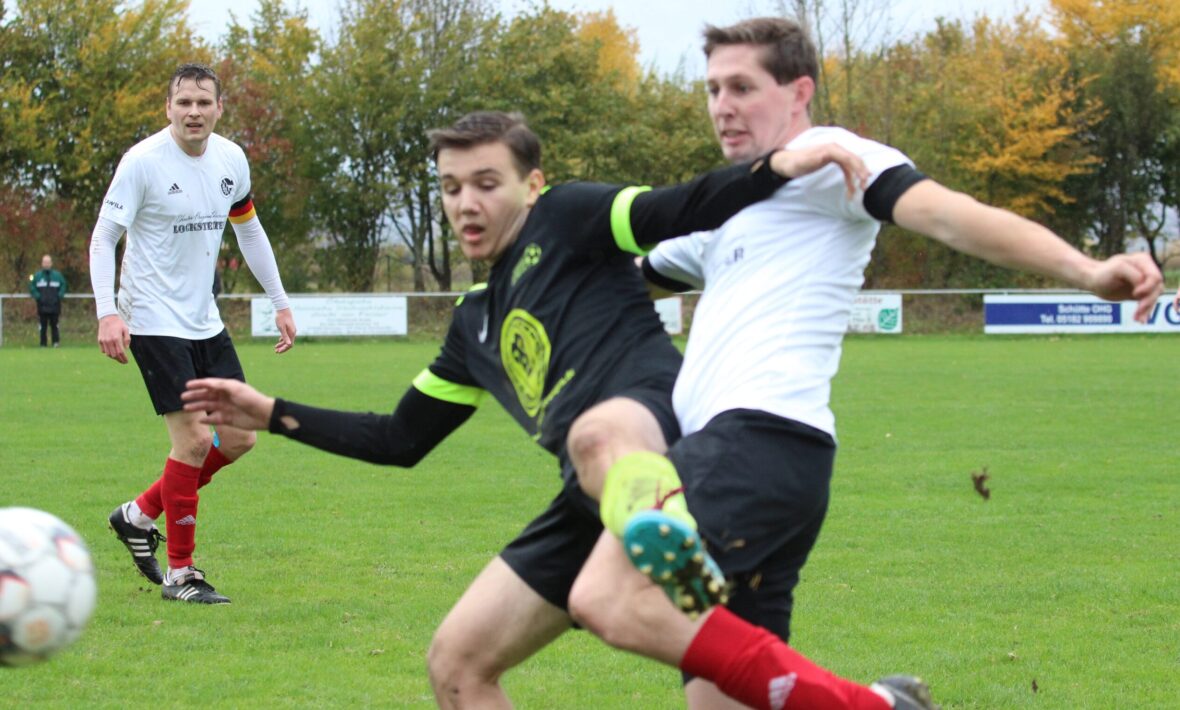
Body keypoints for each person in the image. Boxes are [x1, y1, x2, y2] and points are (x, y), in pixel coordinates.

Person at [181, 111, 930, 709]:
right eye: (451, 187)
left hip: (664, 445)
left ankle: (666, 529)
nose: (467, 203)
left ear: (532, 185)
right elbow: (399, 438)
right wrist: (271, 411)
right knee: (457, 664)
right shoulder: (472, 324)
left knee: (598, 435)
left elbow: (679, 206)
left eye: (486, 183)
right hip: (590, 498)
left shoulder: (569, 219)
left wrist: (776, 167)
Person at [567, 16, 1165, 710]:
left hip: (754, 441)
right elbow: (617, 282)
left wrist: (1085, 271)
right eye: (712, 89)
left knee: (608, 596)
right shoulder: (725, 209)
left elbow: (950, 216)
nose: (722, 106)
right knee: (724, 699)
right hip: (767, 461)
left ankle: (877, 706)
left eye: (741, 87)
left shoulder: (833, 158)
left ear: (799, 92)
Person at [89, 62, 297, 605]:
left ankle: (137, 516)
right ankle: (181, 575)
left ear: (219, 108)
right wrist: (107, 312)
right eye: (184, 102)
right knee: (195, 441)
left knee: (242, 436)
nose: (194, 111)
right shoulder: (143, 162)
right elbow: (104, 236)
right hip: (152, 318)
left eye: (204, 102)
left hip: (204, 319)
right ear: (168, 107)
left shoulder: (231, 160)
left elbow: (249, 230)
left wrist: (279, 301)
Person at [28, 254, 67, 347]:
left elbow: (64, 285)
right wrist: (38, 296)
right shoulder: (37, 276)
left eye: (48, 262)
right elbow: (31, 286)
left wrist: (59, 296)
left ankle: (55, 342)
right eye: (45, 262)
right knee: (43, 326)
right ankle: (43, 344)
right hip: (42, 306)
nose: (46, 264)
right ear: (42, 263)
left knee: (55, 325)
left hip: (55, 306)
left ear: (51, 263)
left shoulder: (57, 276)